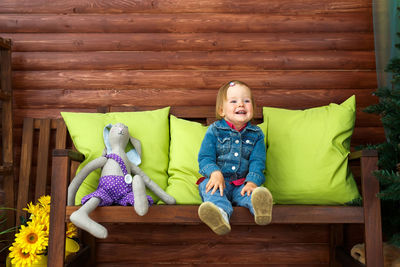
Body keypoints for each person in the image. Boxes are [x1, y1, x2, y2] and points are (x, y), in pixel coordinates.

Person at [197, 80, 273, 235]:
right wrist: (214, 173)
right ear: (221, 110)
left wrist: (252, 182)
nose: (241, 105)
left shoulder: (256, 134)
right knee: (210, 189)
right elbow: (205, 157)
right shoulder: (214, 130)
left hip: (242, 184)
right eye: (234, 101)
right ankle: (220, 215)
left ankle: (260, 209)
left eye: (246, 101)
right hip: (218, 182)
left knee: (251, 193)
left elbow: (257, 162)